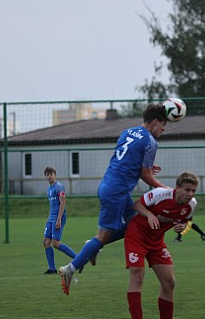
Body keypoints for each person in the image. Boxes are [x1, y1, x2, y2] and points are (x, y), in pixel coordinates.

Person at [58, 103, 169, 295]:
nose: (164, 129)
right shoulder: (151, 142)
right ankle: (71, 267)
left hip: (108, 185)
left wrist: (149, 169)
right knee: (103, 236)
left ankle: (92, 246)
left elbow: (127, 159)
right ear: (155, 122)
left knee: (136, 223)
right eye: (163, 125)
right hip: (117, 191)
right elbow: (145, 175)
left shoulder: (127, 132)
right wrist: (166, 189)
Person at [126, 171, 199, 319]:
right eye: (187, 190)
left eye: (194, 191)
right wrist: (150, 214)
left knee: (169, 281)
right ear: (177, 188)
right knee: (137, 275)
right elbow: (137, 205)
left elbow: (187, 219)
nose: (190, 194)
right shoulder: (161, 194)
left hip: (156, 242)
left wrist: (182, 226)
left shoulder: (192, 204)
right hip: (137, 236)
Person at [42, 166, 77, 274]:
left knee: (56, 244)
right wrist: (49, 217)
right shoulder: (49, 189)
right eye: (47, 175)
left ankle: (79, 259)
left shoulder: (59, 187)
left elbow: (63, 203)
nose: (49, 176)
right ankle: (52, 269)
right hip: (51, 218)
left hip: (58, 217)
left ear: (55, 175)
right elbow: (52, 205)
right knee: (46, 242)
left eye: (51, 174)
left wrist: (59, 219)